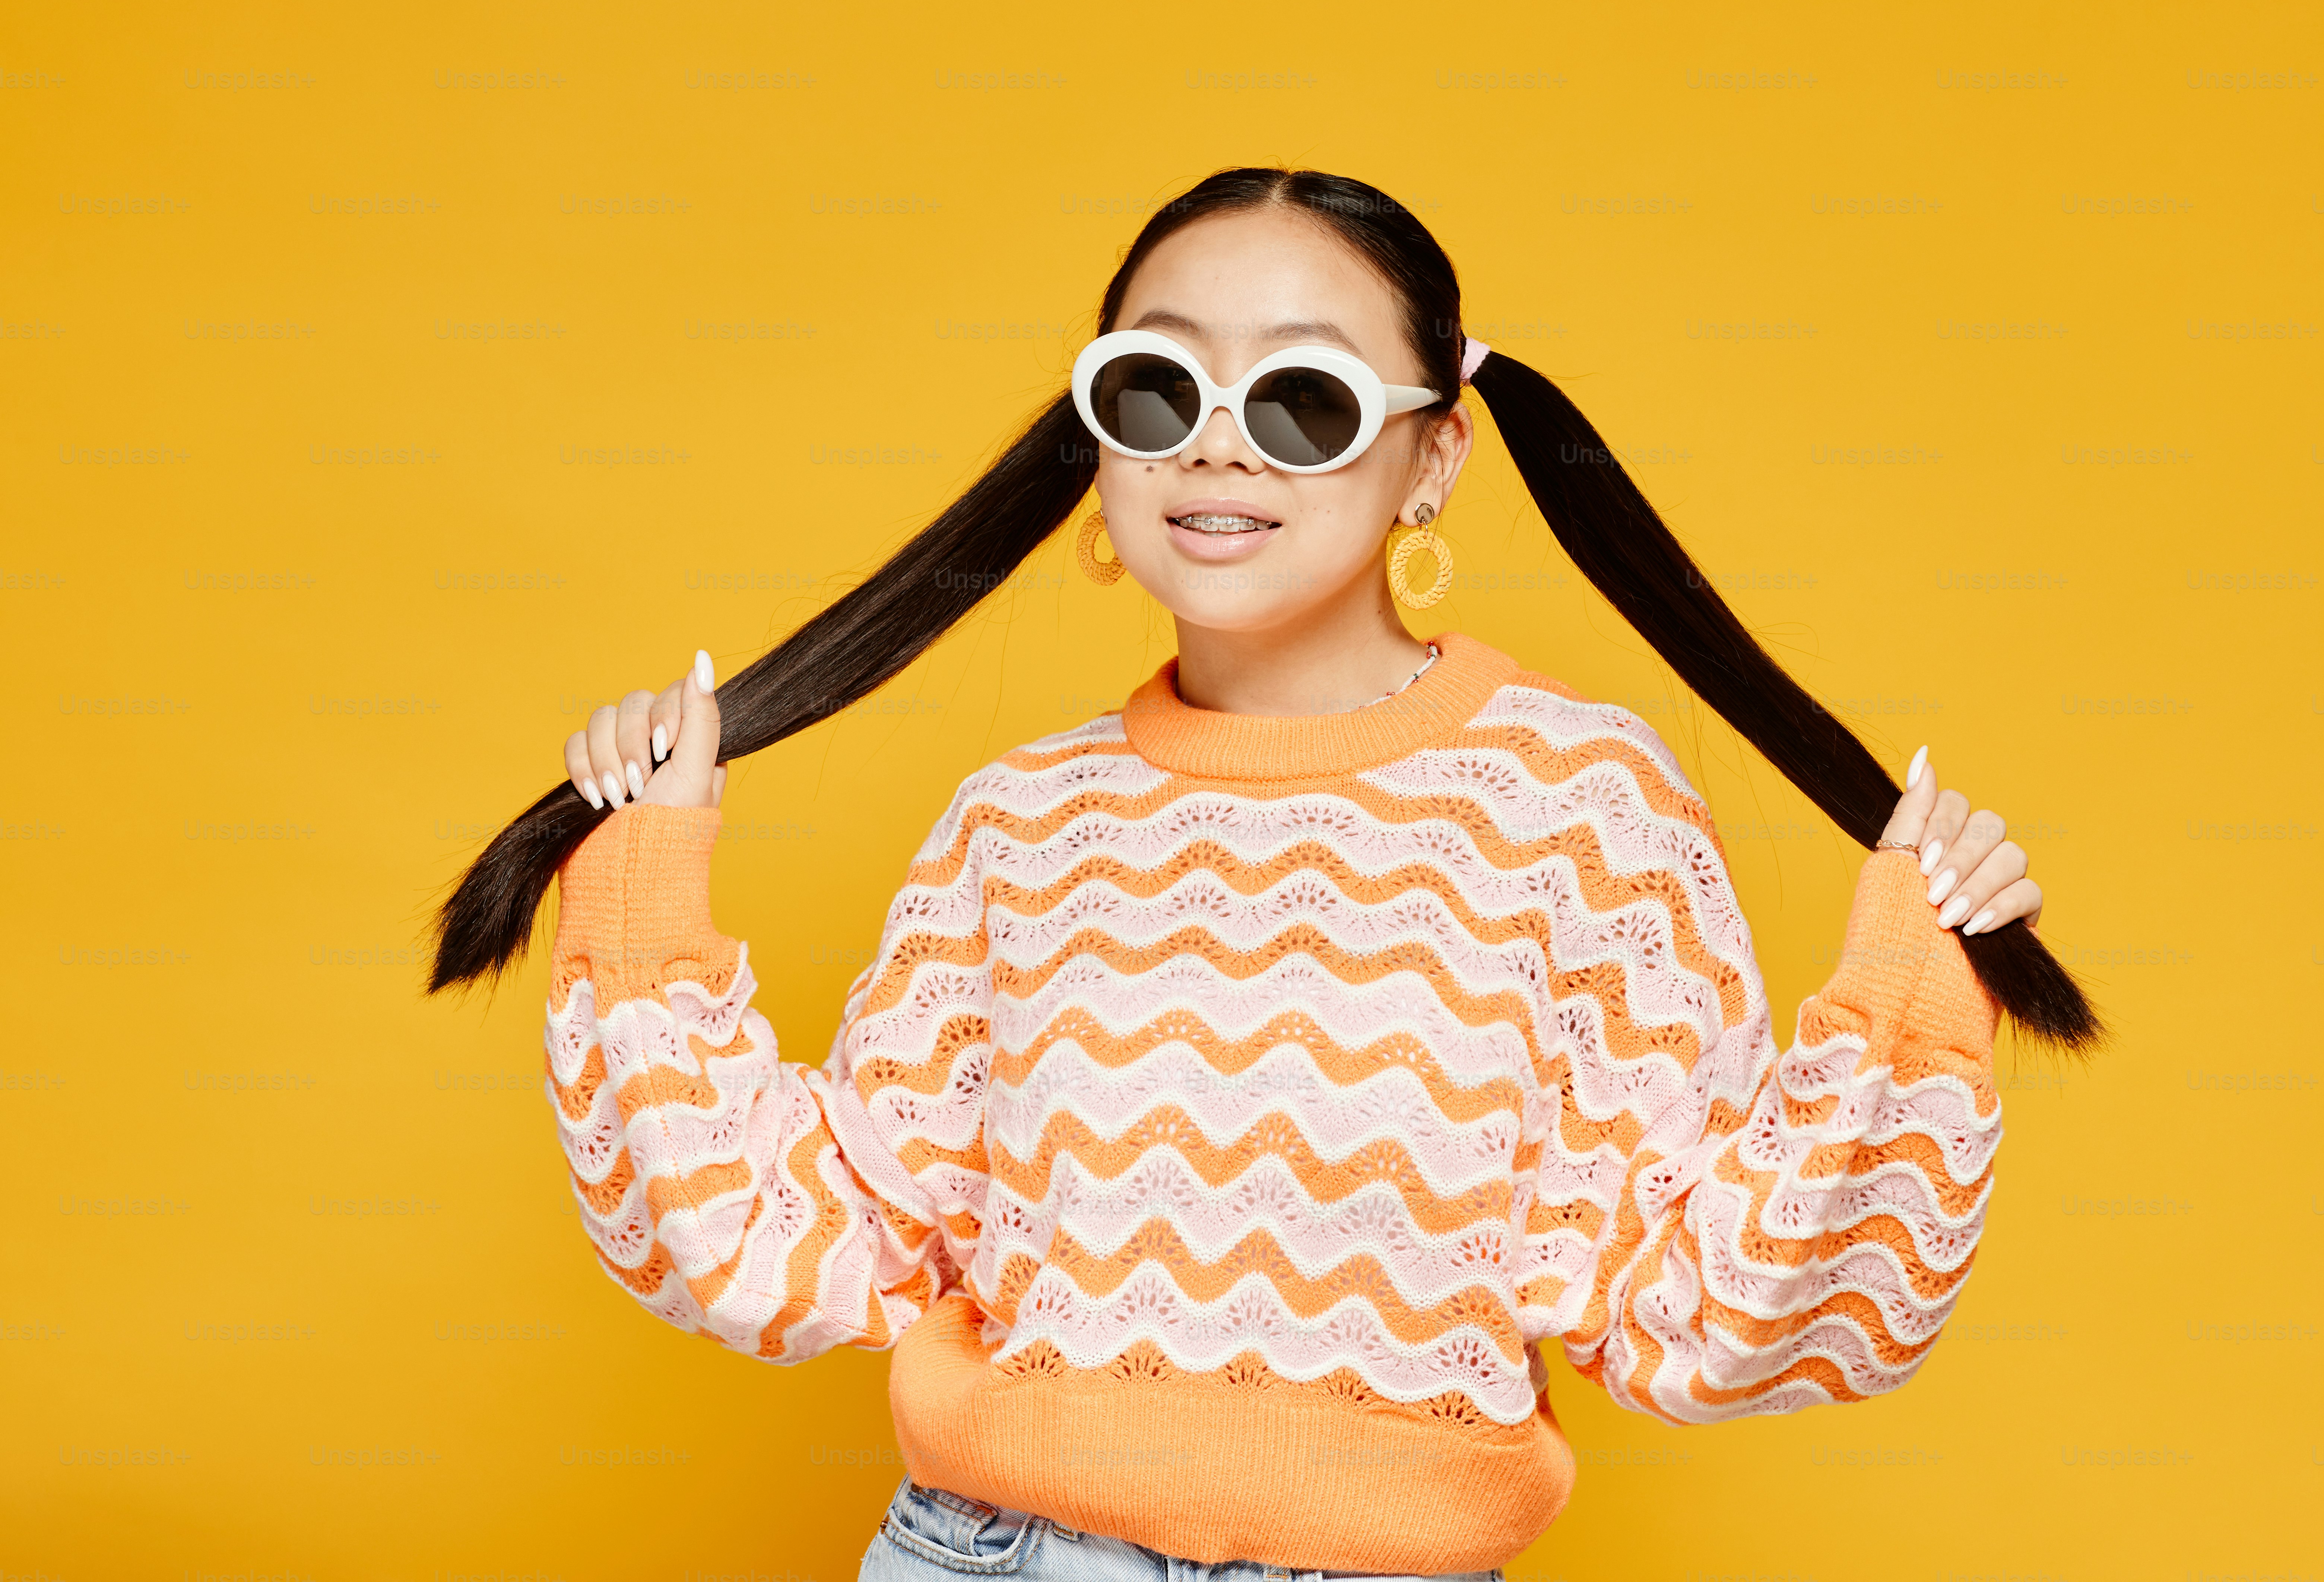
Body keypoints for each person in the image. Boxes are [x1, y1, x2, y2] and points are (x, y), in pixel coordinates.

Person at [430, 168, 2097, 1582]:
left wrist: (1910, 1001)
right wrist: (645, 872)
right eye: (1157, 390)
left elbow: (1687, 1307)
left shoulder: (1585, 805)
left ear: (1433, 455)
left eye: (1302, 400)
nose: (1216, 450)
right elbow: (811, 1236)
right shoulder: (1020, 821)